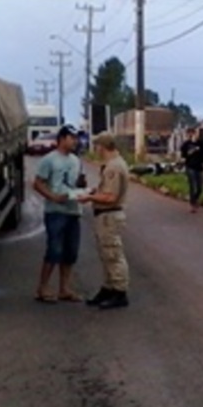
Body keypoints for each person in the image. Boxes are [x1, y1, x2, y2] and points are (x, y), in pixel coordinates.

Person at [33, 125, 85, 303]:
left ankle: (65, 289)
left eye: (76, 138)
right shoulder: (49, 160)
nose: (75, 141)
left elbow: (77, 181)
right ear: (62, 139)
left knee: (71, 252)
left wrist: (82, 189)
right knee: (54, 250)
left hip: (73, 210)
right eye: (72, 138)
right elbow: (38, 183)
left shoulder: (76, 160)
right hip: (55, 212)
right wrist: (53, 197)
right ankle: (43, 288)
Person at [78, 132, 130, 310]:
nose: (96, 150)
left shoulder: (113, 168)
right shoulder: (114, 164)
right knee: (107, 254)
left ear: (103, 146)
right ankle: (109, 287)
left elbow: (110, 197)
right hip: (106, 215)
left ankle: (119, 291)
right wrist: (94, 192)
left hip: (109, 214)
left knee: (113, 255)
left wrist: (89, 198)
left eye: (97, 146)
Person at [180, 126, 203, 212]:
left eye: (193, 133)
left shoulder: (201, 143)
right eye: (189, 133)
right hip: (190, 166)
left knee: (200, 188)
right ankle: (193, 204)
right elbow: (183, 154)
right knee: (193, 186)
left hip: (199, 167)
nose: (191, 135)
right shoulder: (186, 144)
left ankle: (194, 199)